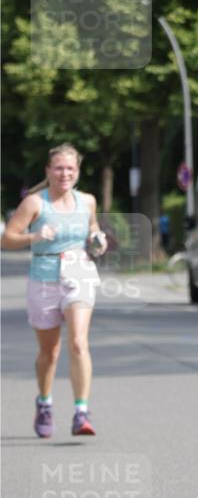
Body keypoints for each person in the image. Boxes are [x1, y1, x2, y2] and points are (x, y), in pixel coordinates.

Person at [1, 143, 107, 438]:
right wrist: (34, 236)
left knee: (78, 343)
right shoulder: (34, 203)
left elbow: (92, 229)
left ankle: (81, 412)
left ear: (78, 172)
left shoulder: (87, 201)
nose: (64, 173)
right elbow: (7, 239)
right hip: (44, 277)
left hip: (79, 272)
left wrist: (97, 240)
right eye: (59, 168)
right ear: (48, 171)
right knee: (50, 352)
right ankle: (45, 403)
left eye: (70, 168)